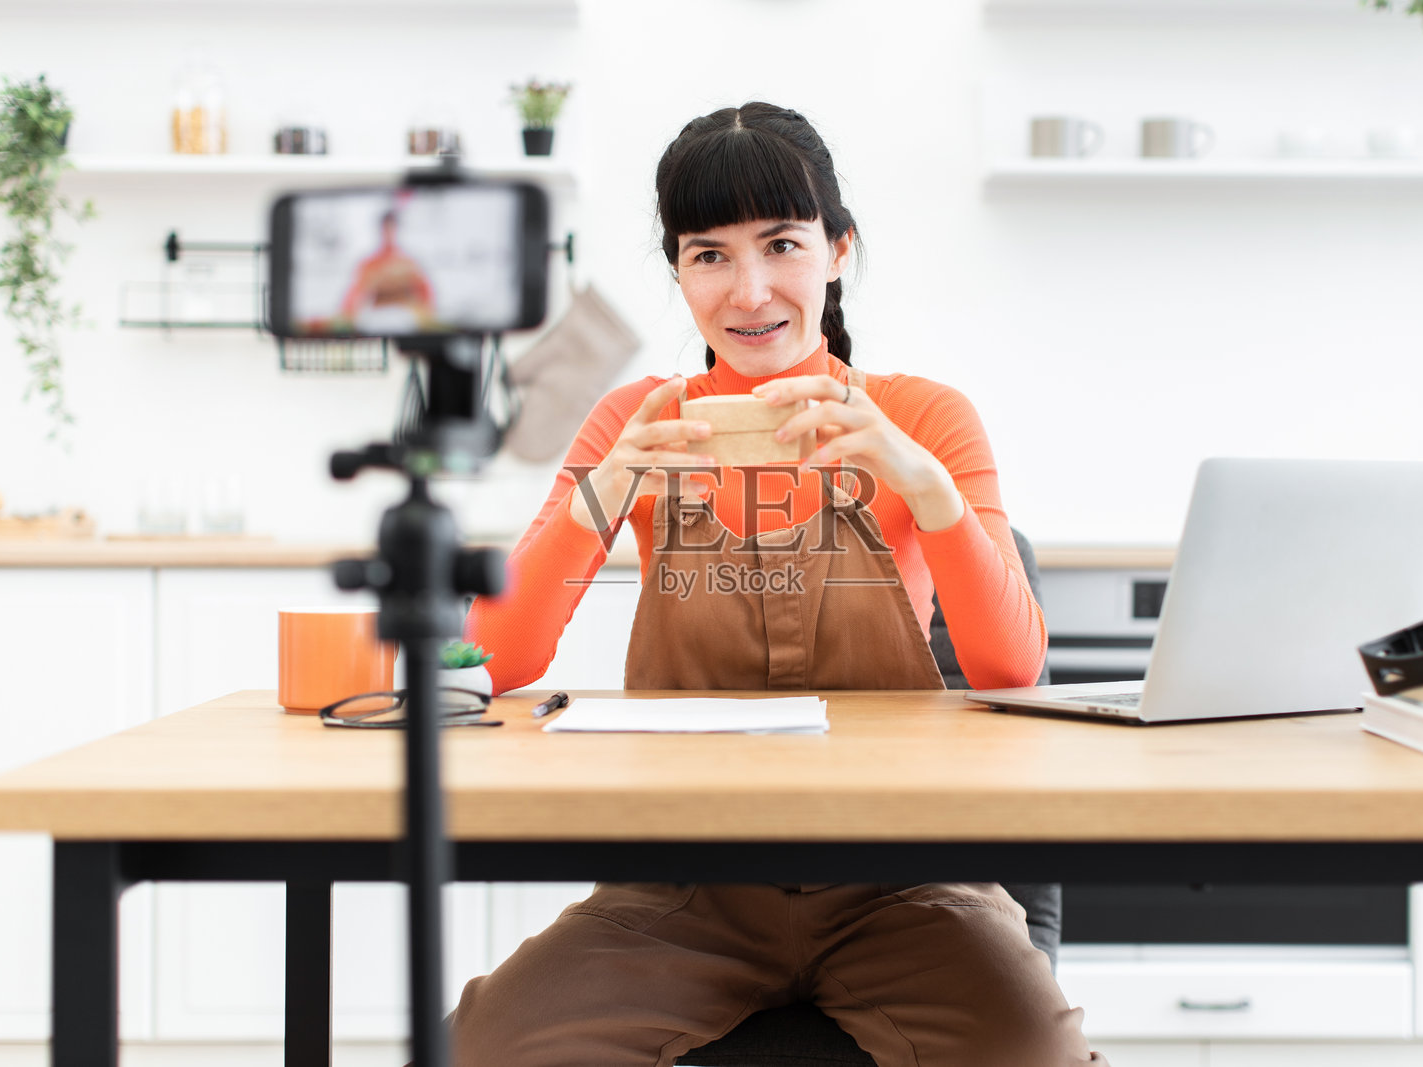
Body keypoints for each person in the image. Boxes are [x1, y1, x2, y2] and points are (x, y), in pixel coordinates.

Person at [450, 102, 1106, 1066]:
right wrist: (604, 491)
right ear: (678, 271)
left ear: (839, 250)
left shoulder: (925, 416)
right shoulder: (635, 422)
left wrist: (919, 481)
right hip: (682, 883)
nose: (748, 289)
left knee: (1033, 1053)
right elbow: (492, 661)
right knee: (491, 1045)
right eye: (707, 254)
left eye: (782, 244)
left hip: (902, 879)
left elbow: (1011, 664)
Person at [336, 209, 437, 333]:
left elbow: (426, 293)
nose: (388, 234)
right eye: (385, 229)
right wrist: (347, 316)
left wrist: (427, 314)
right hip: (378, 316)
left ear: (396, 230)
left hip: (404, 315)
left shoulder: (408, 262)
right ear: (380, 230)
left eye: (391, 229)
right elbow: (354, 294)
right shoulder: (369, 263)